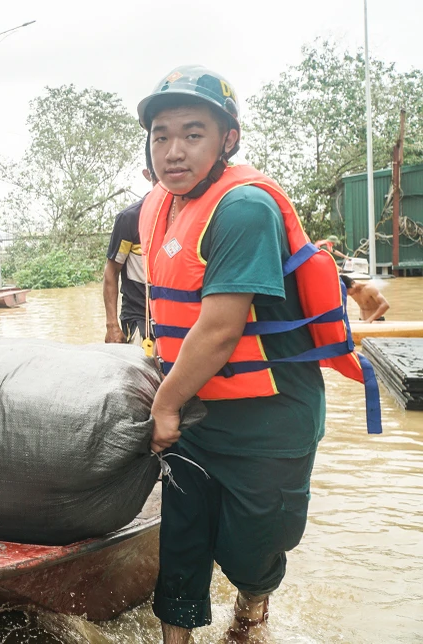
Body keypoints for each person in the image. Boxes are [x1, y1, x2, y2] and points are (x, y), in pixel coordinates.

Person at [136, 66, 376, 643]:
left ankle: (250, 615)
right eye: (161, 134)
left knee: (250, 551)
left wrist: (164, 406)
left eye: (193, 133)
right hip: (195, 409)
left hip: (266, 415)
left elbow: (220, 330)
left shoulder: (243, 208)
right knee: (184, 542)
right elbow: (166, 310)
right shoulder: (156, 207)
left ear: (228, 139)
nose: (173, 150)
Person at [104, 153, 155, 344]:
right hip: (139, 317)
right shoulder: (130, 219)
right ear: (147, 174)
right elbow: (111, 271)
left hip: (176, 316)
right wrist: (112, 325)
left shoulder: (186, 215)